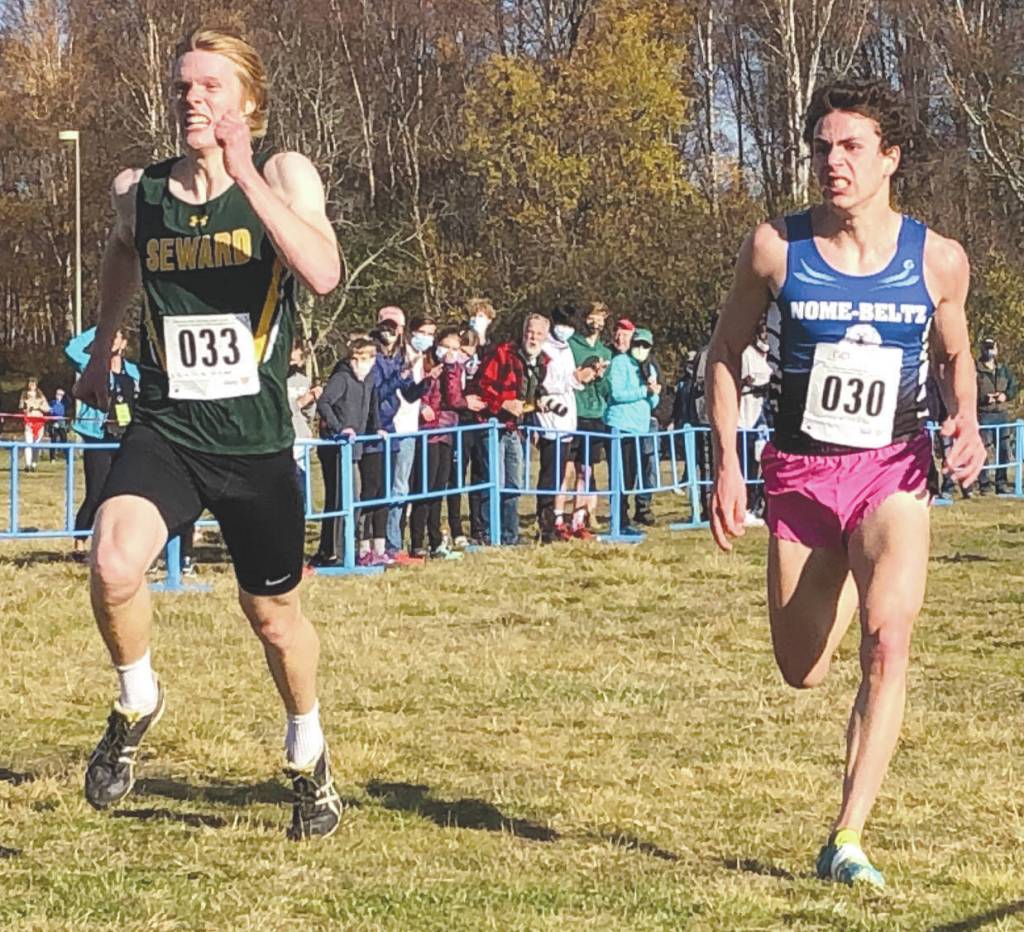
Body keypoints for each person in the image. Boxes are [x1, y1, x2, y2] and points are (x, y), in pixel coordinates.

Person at [706, 78, 985, 888]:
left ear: (890, 158)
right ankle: (838, 564)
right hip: (800, 472)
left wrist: (962, 419)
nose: (835, 161)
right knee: (803, 668)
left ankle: (848, 835)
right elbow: (724, 354)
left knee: (887, 641)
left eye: (853, 146)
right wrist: (727, 461)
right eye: (824, 146)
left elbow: (956, 354)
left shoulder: (937, 259)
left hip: (893, 469)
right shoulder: (775, 249)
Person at [73, 28, 344, 840]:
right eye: (185, 86)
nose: (193, 98)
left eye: (211, 87)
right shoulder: (142, 191)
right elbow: (123, 251)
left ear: (247, 101)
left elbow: (322, 273)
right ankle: (137, 696)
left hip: (256, 441)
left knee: (272, 616)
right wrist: (105, 339)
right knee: (114, 561)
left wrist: (246, 173)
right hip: (170, 427)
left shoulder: (285, 175)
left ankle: (309, 750)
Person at [468, 314, 551, 545]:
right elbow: (481, 385)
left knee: (513, 483)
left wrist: (538, 402)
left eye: (539, 334)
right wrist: (503, 403)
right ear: (523, 332)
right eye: (530, 332)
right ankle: (486, 533)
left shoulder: (543, 361)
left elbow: (532, 389)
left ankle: (509, 535)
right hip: (491, 424)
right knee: (493, 480)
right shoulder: (502, 353)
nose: (533, 338)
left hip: (515, 427)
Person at [65, 326, 141, 558]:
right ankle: (80, 542)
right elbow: (71, 350)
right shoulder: (93, 366)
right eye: (109, 337)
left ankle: (115, 542)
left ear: (124, 343)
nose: (112, 341)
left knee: (123, 492)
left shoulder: (134, 373)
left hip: (125, 437)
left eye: (116, 336)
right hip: (97, 436)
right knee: (96, 490)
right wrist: (102, 326)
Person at [312, 339, 384, 567]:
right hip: (337, 447)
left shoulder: (370, 379)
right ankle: (336, 551)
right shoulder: (342, 378)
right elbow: (324, 402)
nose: (359, 363)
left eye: (364, 359)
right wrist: (338, 427)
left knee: (353, 497)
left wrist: (377, 427)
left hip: (356, 448)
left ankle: (339, 549)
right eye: (355, 358)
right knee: (343, 499)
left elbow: (372, 404)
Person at [536, 304, 597, 542]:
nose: (566, 330)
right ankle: (546, 525)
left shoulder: (566, 348)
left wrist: (583, 377)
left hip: (567, 421)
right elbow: (547, 383)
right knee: (550, 476)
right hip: (551, 421)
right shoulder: (546, 349)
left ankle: (554, 523)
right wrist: (573, 378)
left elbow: (570, 381)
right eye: (563, 325)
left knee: (560, 473)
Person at [409, 327, 463, 560]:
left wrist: (451, 370)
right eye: (446, 346)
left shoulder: (454, 369)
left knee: (438, 489)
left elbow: (454, 398)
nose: (450, 352)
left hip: (447, 431)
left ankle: (435, 540)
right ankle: (417, 541)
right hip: (427, 433)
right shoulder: (425, 363)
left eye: (455, 348)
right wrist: (423, 407)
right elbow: (416, 392)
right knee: (424, 489)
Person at [386, 316, 438, 555]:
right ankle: (391, 543)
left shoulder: (421, 359)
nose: (427, 337)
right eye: (423, 332)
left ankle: (396, 538)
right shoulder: (401, 356)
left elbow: (413, 394)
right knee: (397, 487)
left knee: (403, 486)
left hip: (411, 427)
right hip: (396, 427)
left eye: (431, 333)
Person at [604, 327, 661, 537]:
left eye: (645, 346)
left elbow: (654, 401)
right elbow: (617, 393)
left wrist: (653, 392)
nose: (641, 349)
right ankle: (618, 520)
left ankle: (625, 520)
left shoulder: (649, 368)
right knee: (619, 477)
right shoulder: (620, 363)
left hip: (640, 427)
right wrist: (643, 391)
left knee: (632, 477)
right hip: (620, 426)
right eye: (638, 344)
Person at [567, 302, 613, 538]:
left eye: (601, 318)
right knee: (567, 467)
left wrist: (601, 376)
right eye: (592, 318)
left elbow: (607, 389)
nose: (596, 323)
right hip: (574, 412)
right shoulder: (571, 345)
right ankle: (555, 514)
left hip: (595, 414)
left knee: (587, 469)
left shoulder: (606, 351)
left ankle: (580, 516)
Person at [445, 327, 486, 548]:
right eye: (463, 350)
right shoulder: (450, 365)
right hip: (457, 423)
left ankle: (478, 526)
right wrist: (464, 401)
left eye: (471, 352)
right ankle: (455, 527)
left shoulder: (480, 363)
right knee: (456, 477)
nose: (466, 357)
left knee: (479, 475)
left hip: (477, 423)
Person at [737, 323, 772, 524]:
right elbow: (741, 381)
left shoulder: (773, 353)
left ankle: (760, 504)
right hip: (746, 419)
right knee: (746, 465)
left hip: (765, 419)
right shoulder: (746, 354)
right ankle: (745, 506)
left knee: (762, 464)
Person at [975, 338, 1017, 495]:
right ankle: (984, 484)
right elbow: (969, 392)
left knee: (1004, 450)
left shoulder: (1003, 369)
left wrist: (1005, 396)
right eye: (987, 348)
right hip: (983, 414)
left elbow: (1014, 386)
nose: (990, 351)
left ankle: (1001, 482)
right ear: (982, 350)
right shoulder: (975, 370)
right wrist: (984, 399)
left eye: (992, 347)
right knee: (983, 450)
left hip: (1002, 414)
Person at [286, 339, 321, 489]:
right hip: (284, 438)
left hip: (301, 437)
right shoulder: (274, 381)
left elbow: (308, 415)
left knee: (302, 482)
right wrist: (298, 403)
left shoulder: (304, 381)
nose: (292, 365)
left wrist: (312, 400)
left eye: (295, 361)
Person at [17, 377, 50, 471]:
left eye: (33, 383)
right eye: (30, 383)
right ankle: (27, 464)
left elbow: (47, 408)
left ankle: (34, 463)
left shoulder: (40, 395)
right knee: (28, 443)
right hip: (29, 421)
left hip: (39, 421)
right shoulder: (24, 395)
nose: (32, 385)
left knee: (36, 444)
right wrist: (26, 409)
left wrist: (39, 407)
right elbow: (20, 407)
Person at [48, 387, 69, 460]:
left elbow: (70, 401)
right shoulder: (52, 402)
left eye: (60, 394)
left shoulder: (64, 403)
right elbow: (50, 411)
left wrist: (65, 394)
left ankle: (67, 456)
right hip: (54, 422)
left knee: (64, 439)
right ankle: (52, 458)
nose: (58, 396)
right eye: (57, 394)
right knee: (53, 440)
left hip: (62, 423)